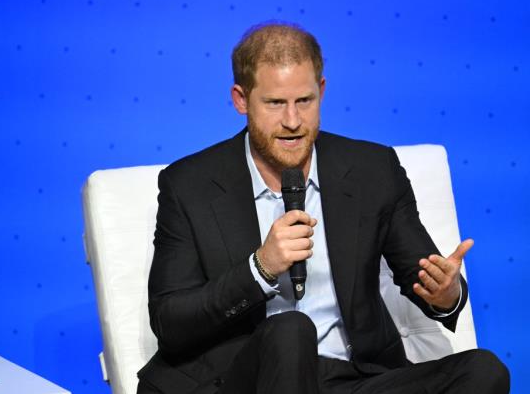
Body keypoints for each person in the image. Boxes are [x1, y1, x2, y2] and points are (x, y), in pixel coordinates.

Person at [137, 22, 509, 394]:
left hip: (352, 378)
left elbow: (422, 274)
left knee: (483, 371)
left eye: (304, 101)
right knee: (291, 330)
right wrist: (260, 268)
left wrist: (446, 294)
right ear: (240, 99)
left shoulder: (372, 169)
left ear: (322, 92)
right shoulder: (189, 184)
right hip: (243, 380)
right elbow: (171, 323)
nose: (293, 122)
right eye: (275, 103)